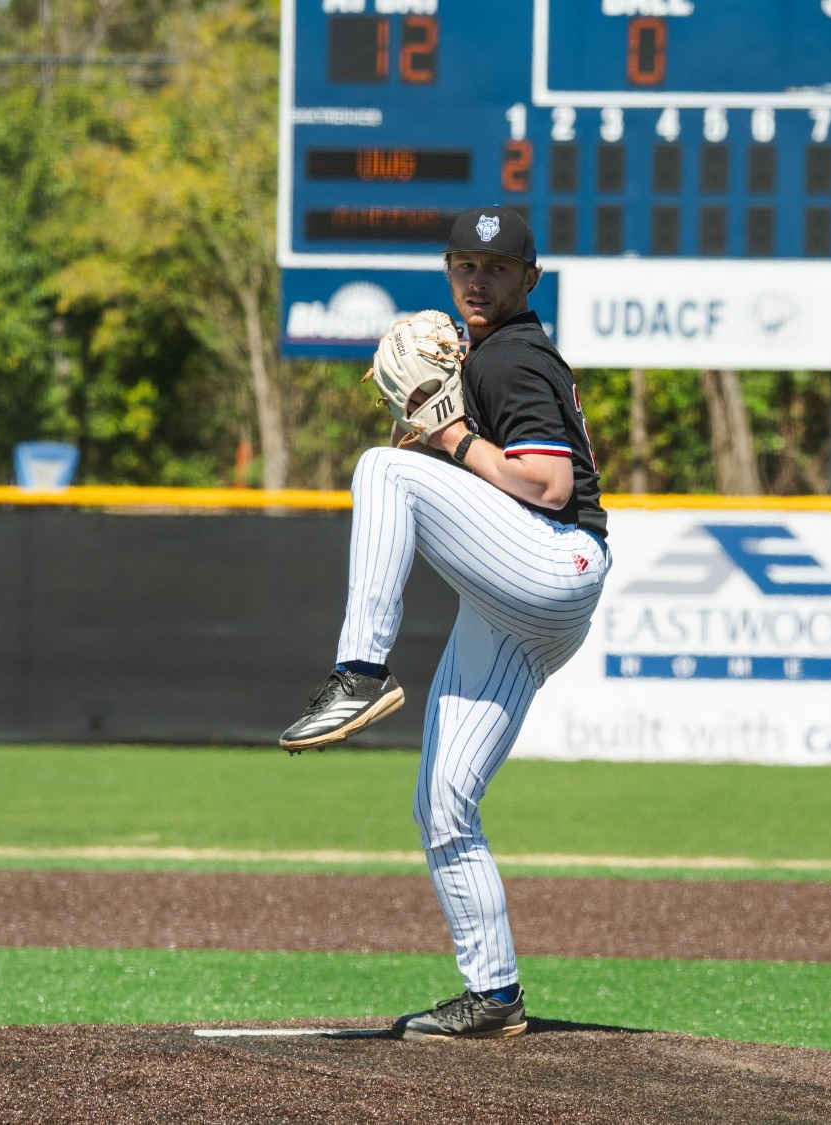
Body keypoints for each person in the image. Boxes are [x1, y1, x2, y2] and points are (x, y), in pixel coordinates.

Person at [278, 207, 609, 1040]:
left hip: (554, 557)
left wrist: (446, 435)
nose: (477, 280)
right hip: (524, 605)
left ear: (530, 279)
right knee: (445, 801)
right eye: (464, 263)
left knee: (381, 469)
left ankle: (360, 671)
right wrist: (442, 434)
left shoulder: (514, 352)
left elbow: (548, 485)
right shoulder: (487, 354)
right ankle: (493, 994)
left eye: (496, 268)